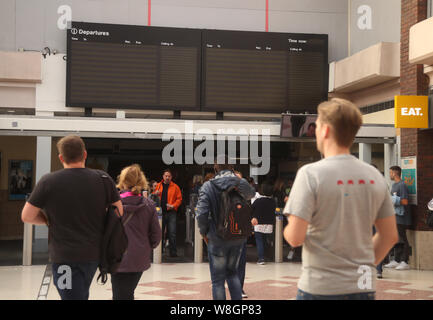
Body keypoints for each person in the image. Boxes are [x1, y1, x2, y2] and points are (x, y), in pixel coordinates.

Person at [283, 98, 398, 300]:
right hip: (363, 288)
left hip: (320, 288)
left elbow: (295, 238)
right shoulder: (374, 176)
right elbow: (389, 236)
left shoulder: (310, 174)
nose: (315, 131)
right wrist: (361, 265)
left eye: (317, 125)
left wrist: (290, 223)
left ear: (325, 130)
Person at [21, 135, 123, 300]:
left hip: (64, 256)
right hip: (93, 254)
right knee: (80, 294)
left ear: (61, 158)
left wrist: (47, 220)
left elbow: (27, 216)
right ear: (85, 154)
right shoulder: (103, 179)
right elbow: (119, 212)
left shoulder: (49, 181)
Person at [196, 155, 255, 300]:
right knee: (232, 273)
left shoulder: (208, 186)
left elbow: (202, 214)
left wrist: (204, 233)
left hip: (216, 238)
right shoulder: (241, 183)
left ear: (215, 168)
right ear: (232, 168)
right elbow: (251, 194)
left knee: (218, 281)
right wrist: (237, 182)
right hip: (237, 236)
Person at [112, 164, 161, 300]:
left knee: (119, 294)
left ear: (122, 181)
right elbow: (156, 235)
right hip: (139, 257)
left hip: (117, 256)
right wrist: (144, 247)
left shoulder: (113, 204)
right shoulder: (149, 205)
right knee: (128, 293)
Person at [384, 166, 411, 271]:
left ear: (395, 173)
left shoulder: (402, 185)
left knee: (403, 238)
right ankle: (396, 260)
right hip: (394, 216)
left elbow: (405, 201)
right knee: (396, 238)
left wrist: (394, 199)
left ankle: (405, 261)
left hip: (402, 217)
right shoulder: (394, 185)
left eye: (390, 172)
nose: (389, 174)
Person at [153, 169, 182, 257]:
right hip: (160, 212)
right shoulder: (158, 185)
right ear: (163, 177)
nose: (167, 177)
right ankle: (160, 251)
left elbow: (179, 199)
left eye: (169, 176)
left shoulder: (175, 187)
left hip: (171, 212)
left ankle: (173, 252)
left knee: (172, 232)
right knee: (160, 232)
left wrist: (173, 206)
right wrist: (155, 193)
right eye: (166, 176)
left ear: (171, 177)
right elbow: (152, 197)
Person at [251, 184, 276, 265]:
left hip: (258, 223)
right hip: (269, 224)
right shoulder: (273, 201)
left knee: (259, 241)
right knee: (266, 240)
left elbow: (251, 209)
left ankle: (261, 258)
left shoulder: (258, 201)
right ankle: (267, 256)